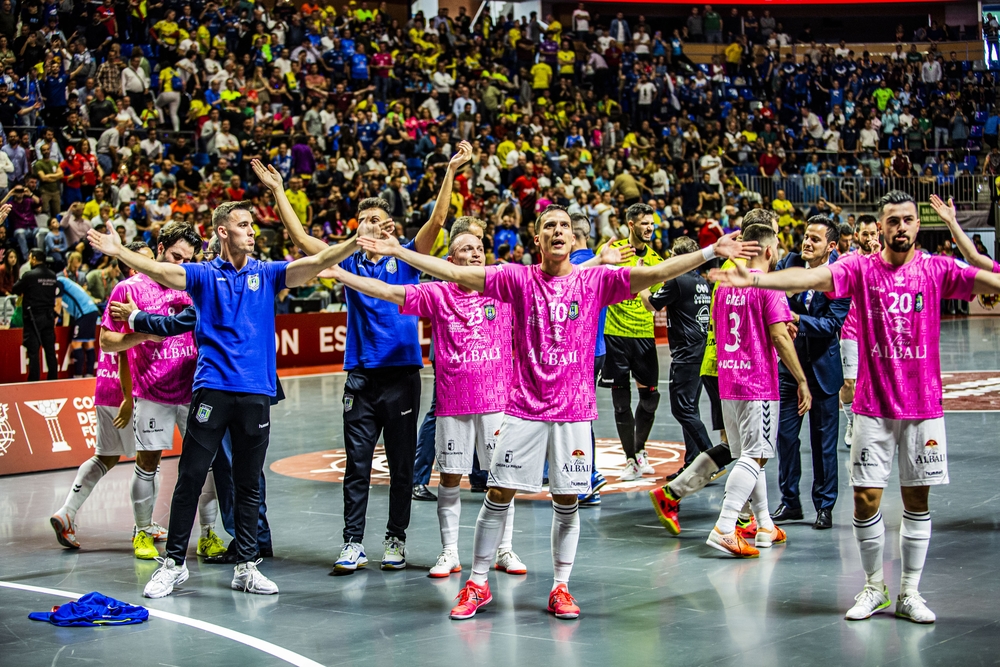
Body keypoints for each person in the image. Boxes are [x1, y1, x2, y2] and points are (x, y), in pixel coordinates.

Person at [353, 204, 757, 620]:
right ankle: (476, 583)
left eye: (565, 225)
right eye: (550, 225)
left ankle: (560, 587)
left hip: (573, 414)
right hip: (524, 410)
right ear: (538, 239)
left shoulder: (594, 281)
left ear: (573, 239)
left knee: (567, 501)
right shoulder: (516, 278)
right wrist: (399, 253)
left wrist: (709, 252)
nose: (559, 230)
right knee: (496, 494)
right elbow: (456, 273)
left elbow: (656, 274)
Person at [712, 190, 1000, 622]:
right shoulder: (860, 268)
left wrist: (961, 235)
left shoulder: (937, 269)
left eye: (907, 219)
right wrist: (757, 280)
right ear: (879, 227)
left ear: (917, 225)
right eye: (892, 220)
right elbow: (809, 278)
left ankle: (909, 592)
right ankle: (873, 587)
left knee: (916, 500)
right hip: (872, 405)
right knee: (866, 498)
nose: (900, 226)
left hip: (924, 408)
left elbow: (989, 279)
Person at [87, 192, 363, 599]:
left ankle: (247, 566)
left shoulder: (266, 272)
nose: (252, 231)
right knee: (191, 478)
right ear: (223, 231)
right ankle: (174, 564)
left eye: (252, 225)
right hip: (212, 389)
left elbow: (314, 264)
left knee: (248, 483)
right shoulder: (202, 274)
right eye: (243, 225)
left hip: (255, 393)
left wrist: (354, 242)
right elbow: (161, 272)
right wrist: (121, 251)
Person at [254, 154, 450, 574]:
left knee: (401, 467)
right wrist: (278, 192)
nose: (373, 226)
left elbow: (437, 220)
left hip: (401, 375)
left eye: (379, 219)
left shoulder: (408, 257)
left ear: (389, 224)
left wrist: (449, 172)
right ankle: (352, 542)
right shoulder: (347, 262)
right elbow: (304, 241)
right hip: (361, 377)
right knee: (356, 465)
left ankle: (395, 540)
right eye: (366, 221)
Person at [326, 227, 529, 579]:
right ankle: (449, 552)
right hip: (453, 402)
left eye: (479, 248)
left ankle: (504, 549)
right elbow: (388, 290)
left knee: (501, 476)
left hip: (497, 401)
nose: (476, 253)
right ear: (450, 262)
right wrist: (343, 275)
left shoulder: (503, 289)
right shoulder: (438, 294)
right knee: (449, 478)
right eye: (466, 249)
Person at [98, 221, 224, 561]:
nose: (179, 264)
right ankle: (141, 531)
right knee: (147, 463)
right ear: (158, 250)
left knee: (206, 465)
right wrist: (142, 334)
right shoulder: (129, 289)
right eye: (174, 256)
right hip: (152, 390)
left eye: (187, 259)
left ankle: (209, 534)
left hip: (196, 389)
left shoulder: (193, 285)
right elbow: (107, 342)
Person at [706, 222, 810, 558]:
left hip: (729, 381)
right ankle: (725, 526)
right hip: (757, 383)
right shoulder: (768, 285)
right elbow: (779, 336)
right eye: (777, 244)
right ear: (767, 250)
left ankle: (764, 524)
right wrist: (802, 379)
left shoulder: (724, 286)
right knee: (756, 455)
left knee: (749, 455)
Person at [50, 243, 161, 549]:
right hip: (130, 390)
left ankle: (66, 512)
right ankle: (145, 526)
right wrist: (128, 397)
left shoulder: (119, 293)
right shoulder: (136, 295)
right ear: (132, 264)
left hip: (105, 386)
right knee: (149, 458)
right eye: (147, 260)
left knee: (105, 456)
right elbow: (125, 350)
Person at [770, 216, 849, 531]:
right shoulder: (789, 263)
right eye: (805, 236)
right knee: (785, 438)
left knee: (823, 444)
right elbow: (772, 292)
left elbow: (832, 325)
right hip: (789, 368)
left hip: (823, 371)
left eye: (815, 239)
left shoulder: (840, 275)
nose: (807, 242)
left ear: (831, 246)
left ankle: (825, 506)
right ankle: (790, 502)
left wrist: (798, 319)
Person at [598, 203, 665, 481]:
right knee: (620, 402)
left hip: (644, 336)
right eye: (644, 223)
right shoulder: (614, 252)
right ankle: (630, 459)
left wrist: (642, 283)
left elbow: (653, 307)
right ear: (631, 224)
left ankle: (640, 450)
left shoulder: (656, 261)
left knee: (650, 399)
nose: (649, 228)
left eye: (652, 224)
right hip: (615, 335)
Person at [641, 236, 713, 468]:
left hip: (686, 353)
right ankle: (693, 462)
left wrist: (641, 282)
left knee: (681, 408)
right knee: (690, 407)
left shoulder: (678, 280)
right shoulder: (701, 281)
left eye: (672, 255)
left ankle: (712, 457)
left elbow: (651, 304)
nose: (669, 258)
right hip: (700, 349)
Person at [568, 213, 615, 505]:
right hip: (598, 349)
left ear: (571, 236)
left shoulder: (572, 267)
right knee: (578, 416)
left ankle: (587, 476)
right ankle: (584, 474)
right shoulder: (603, 264)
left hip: (576, 355)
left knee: (575, 419)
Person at [839, 214, 880, 446]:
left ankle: (875, 424)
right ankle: (852, 420)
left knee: (876, 382)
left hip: (878, 332)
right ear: (857, 236)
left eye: (873, 233)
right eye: (865, 234)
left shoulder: (887, 258)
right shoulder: (848, 260)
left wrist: (878, 257)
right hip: (851, 330)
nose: (869, 238)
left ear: (879, 233)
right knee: (848, 383)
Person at [12, 247, 60, 381]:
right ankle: (53, 379)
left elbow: (15, 288)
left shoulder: (29, 275)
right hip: (49, 316)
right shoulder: (52, 275)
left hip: (33, 317)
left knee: (33, 351)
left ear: (33, 259)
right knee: (50, 351)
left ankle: (34, 381)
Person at [56, 273, 101, 378]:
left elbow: (58, 304)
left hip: (84, 314)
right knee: (88, 343)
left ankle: (78, 375)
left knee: (76, 344)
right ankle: (89, 374)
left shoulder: (58, 283)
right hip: (92, 311)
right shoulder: (66, 282)